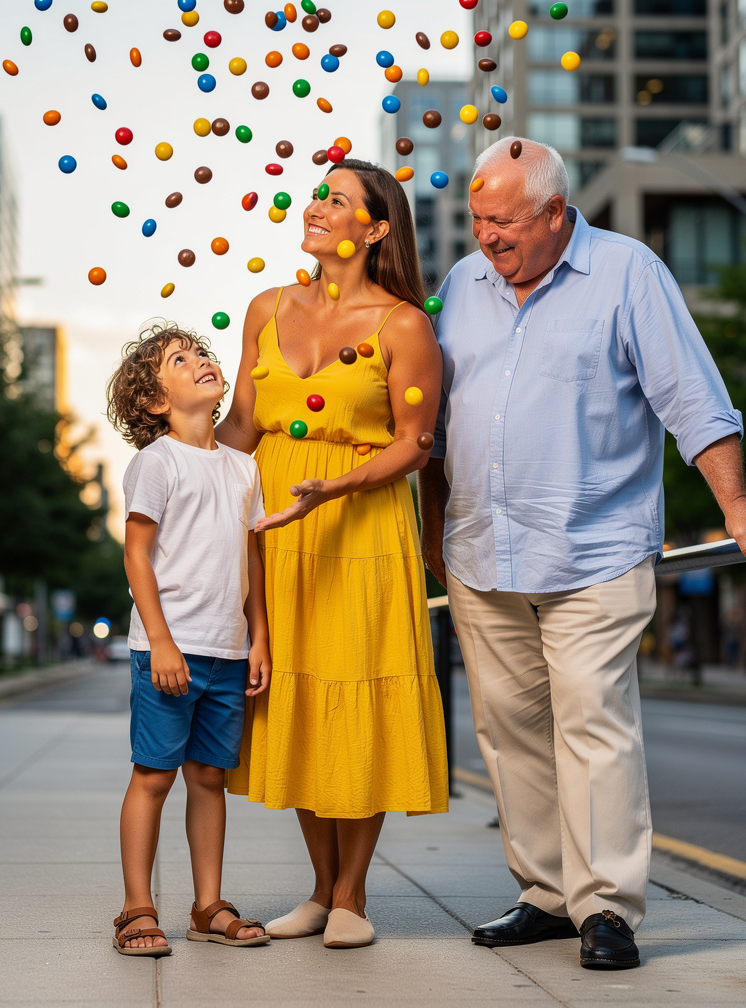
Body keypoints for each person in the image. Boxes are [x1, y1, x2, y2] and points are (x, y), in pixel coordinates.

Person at [418, 137, 746, 970]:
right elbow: (436, 429)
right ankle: (545, 895)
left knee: (595, 726)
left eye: (503, 222)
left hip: (596, 548)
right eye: (477, 220)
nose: (487, 238)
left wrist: (735, 503)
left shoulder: (628, 272)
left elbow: (692, 395)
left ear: (555, 213)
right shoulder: (460, 287)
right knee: (511, 733)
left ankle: (607, 908)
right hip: (482, 553)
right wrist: (434, 530)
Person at [217, 158, 449, 949]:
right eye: (318, 194)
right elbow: (241, 429)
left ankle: (351, 895)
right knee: (296, 696)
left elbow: (417, 444)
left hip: (361, 520)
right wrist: (183, 470)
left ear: (376, 228)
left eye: (338, 200)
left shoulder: (404, 325)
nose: (317, 205)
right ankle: (318, 889)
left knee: (357, 689)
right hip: (275, 522)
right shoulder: (265, 307)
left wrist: (337, 486)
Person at [105, 323, 272, 956]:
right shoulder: (157, 462)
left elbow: (249, 562)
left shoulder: (243, 467)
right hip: (167, 652)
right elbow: (138, 556)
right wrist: (162, 641)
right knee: (153, 776)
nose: (202, 360)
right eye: (181, 359)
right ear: (155, 401)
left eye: (202, 352)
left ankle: (208, 905)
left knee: (208, 778)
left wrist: (258, 639)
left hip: (228, 651)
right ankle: (136, 907)